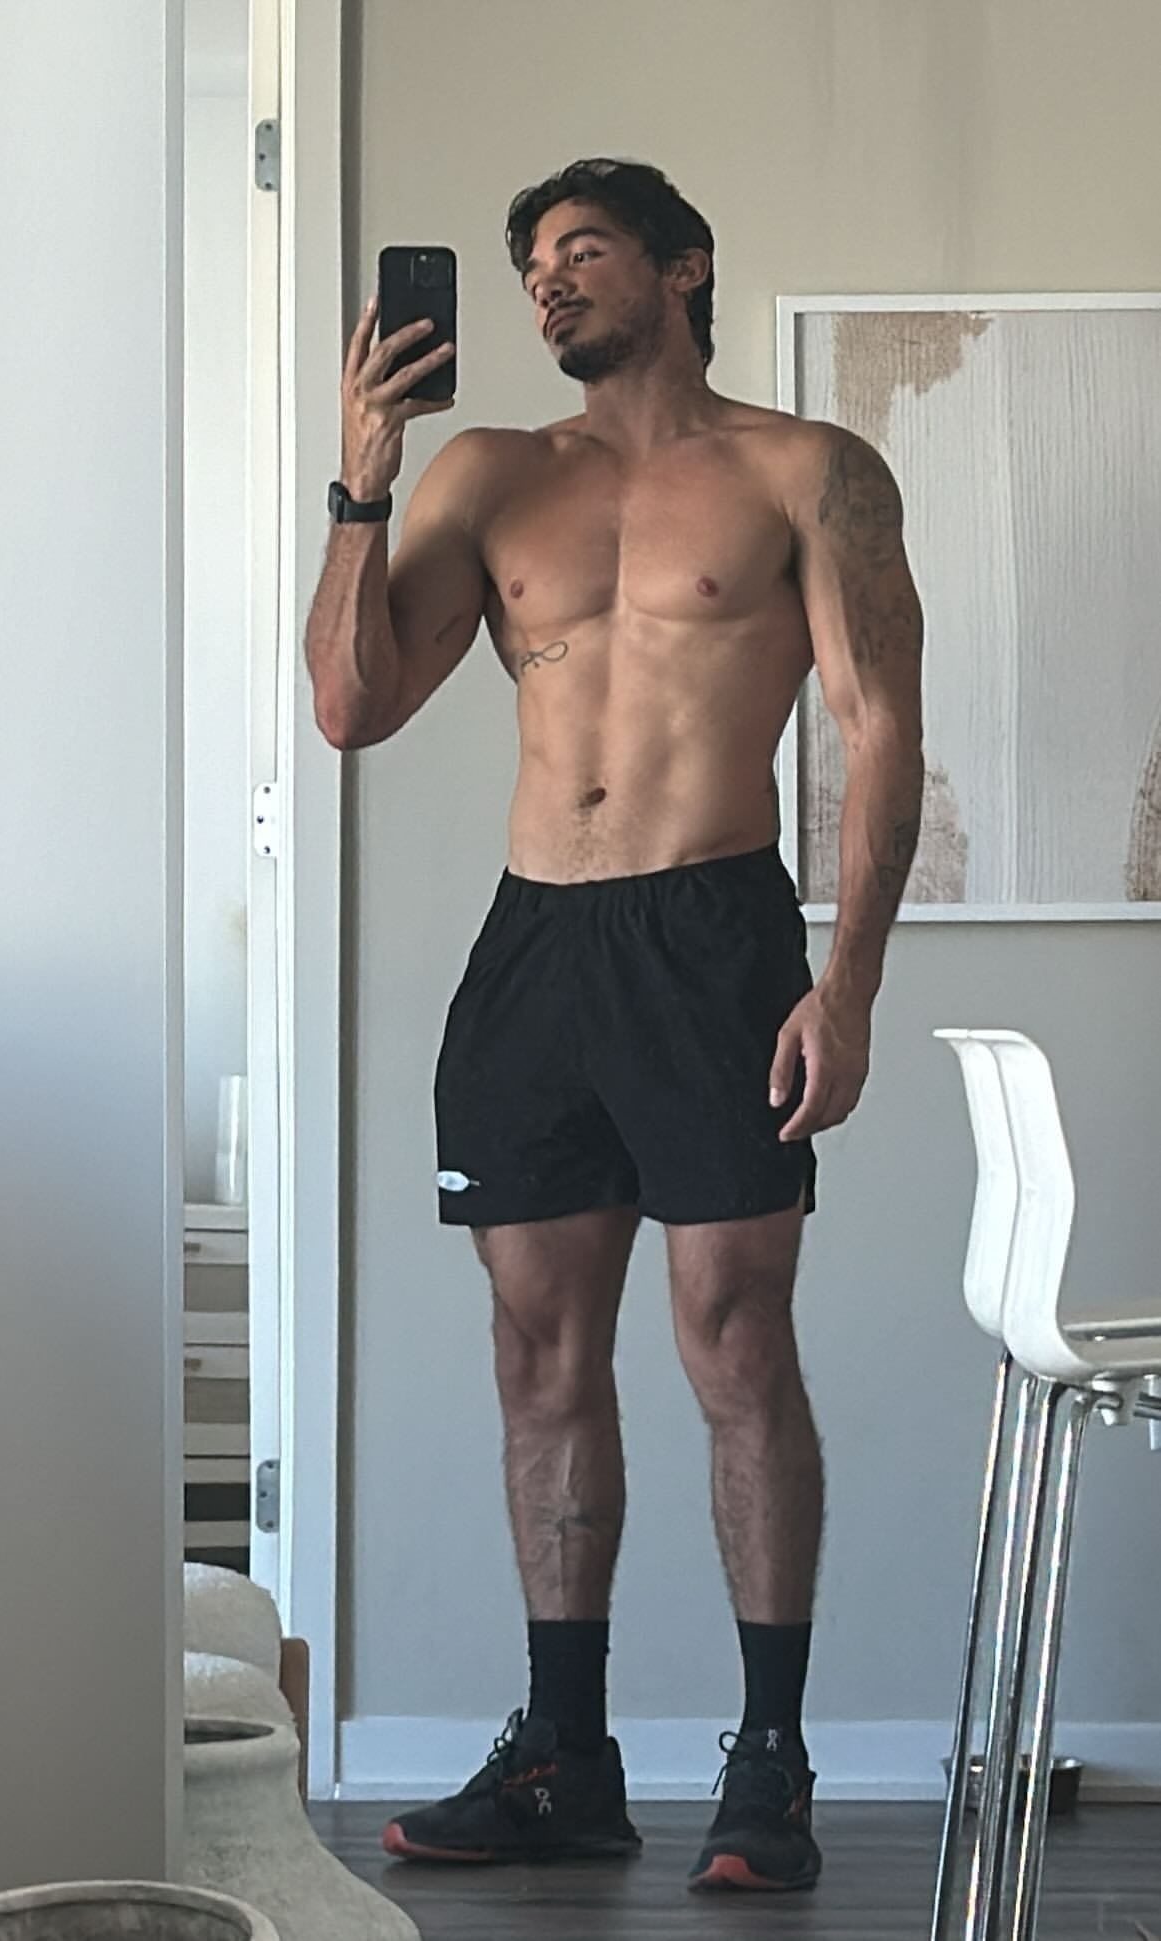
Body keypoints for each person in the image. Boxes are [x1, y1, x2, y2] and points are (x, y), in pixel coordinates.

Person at [304, 158, 924, 1895]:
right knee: (535, 1352)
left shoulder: (805, 469)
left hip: (712, 939)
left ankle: (767, 1760)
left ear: (682, 265)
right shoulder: (493, 476)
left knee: (733, 1339)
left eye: (584, 250)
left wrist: (846, 983)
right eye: (532, 266)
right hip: (536, 951)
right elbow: (351, 703)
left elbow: (878, 729)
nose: (548, 283)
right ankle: (564, 1756)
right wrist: (365, 477)